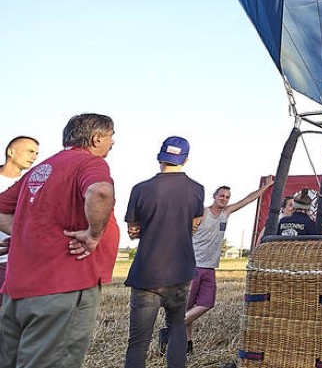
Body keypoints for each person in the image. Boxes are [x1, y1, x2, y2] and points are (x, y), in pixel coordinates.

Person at [0, 113, 119, 368]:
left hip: (18, 291)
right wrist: (93, 236)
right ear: (97, 138)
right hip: (63, 286)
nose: (113, 143)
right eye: (112, 137)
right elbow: (100, 192)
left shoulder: (41, 169)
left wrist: (25, 235)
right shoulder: (88, 163)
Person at [124, 137, 204, 368]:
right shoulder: (197, 189)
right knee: (177, 327)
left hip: (147, 272)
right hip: (181, 270)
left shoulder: (140, 189)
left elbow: (133, 229)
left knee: (138, 341)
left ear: (160, 156)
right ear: (185, 159)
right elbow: (194, 224)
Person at [180, 175, 274, 354]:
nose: (224, 198)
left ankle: (173, 327)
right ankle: (187, 344)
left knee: (207, 303)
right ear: (214, 196)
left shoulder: (226, 213)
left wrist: (266, 187)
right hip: (194, 266)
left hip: (210, 267)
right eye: (221, 195)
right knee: (188, 308)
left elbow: (247, 199)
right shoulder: (202, 212)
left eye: (226, 197)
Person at [0, 136, 39, 292]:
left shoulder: (32, 184)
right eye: (30, 151)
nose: (34, 157)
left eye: (36, 153)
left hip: (14, 260)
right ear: (11, 152)